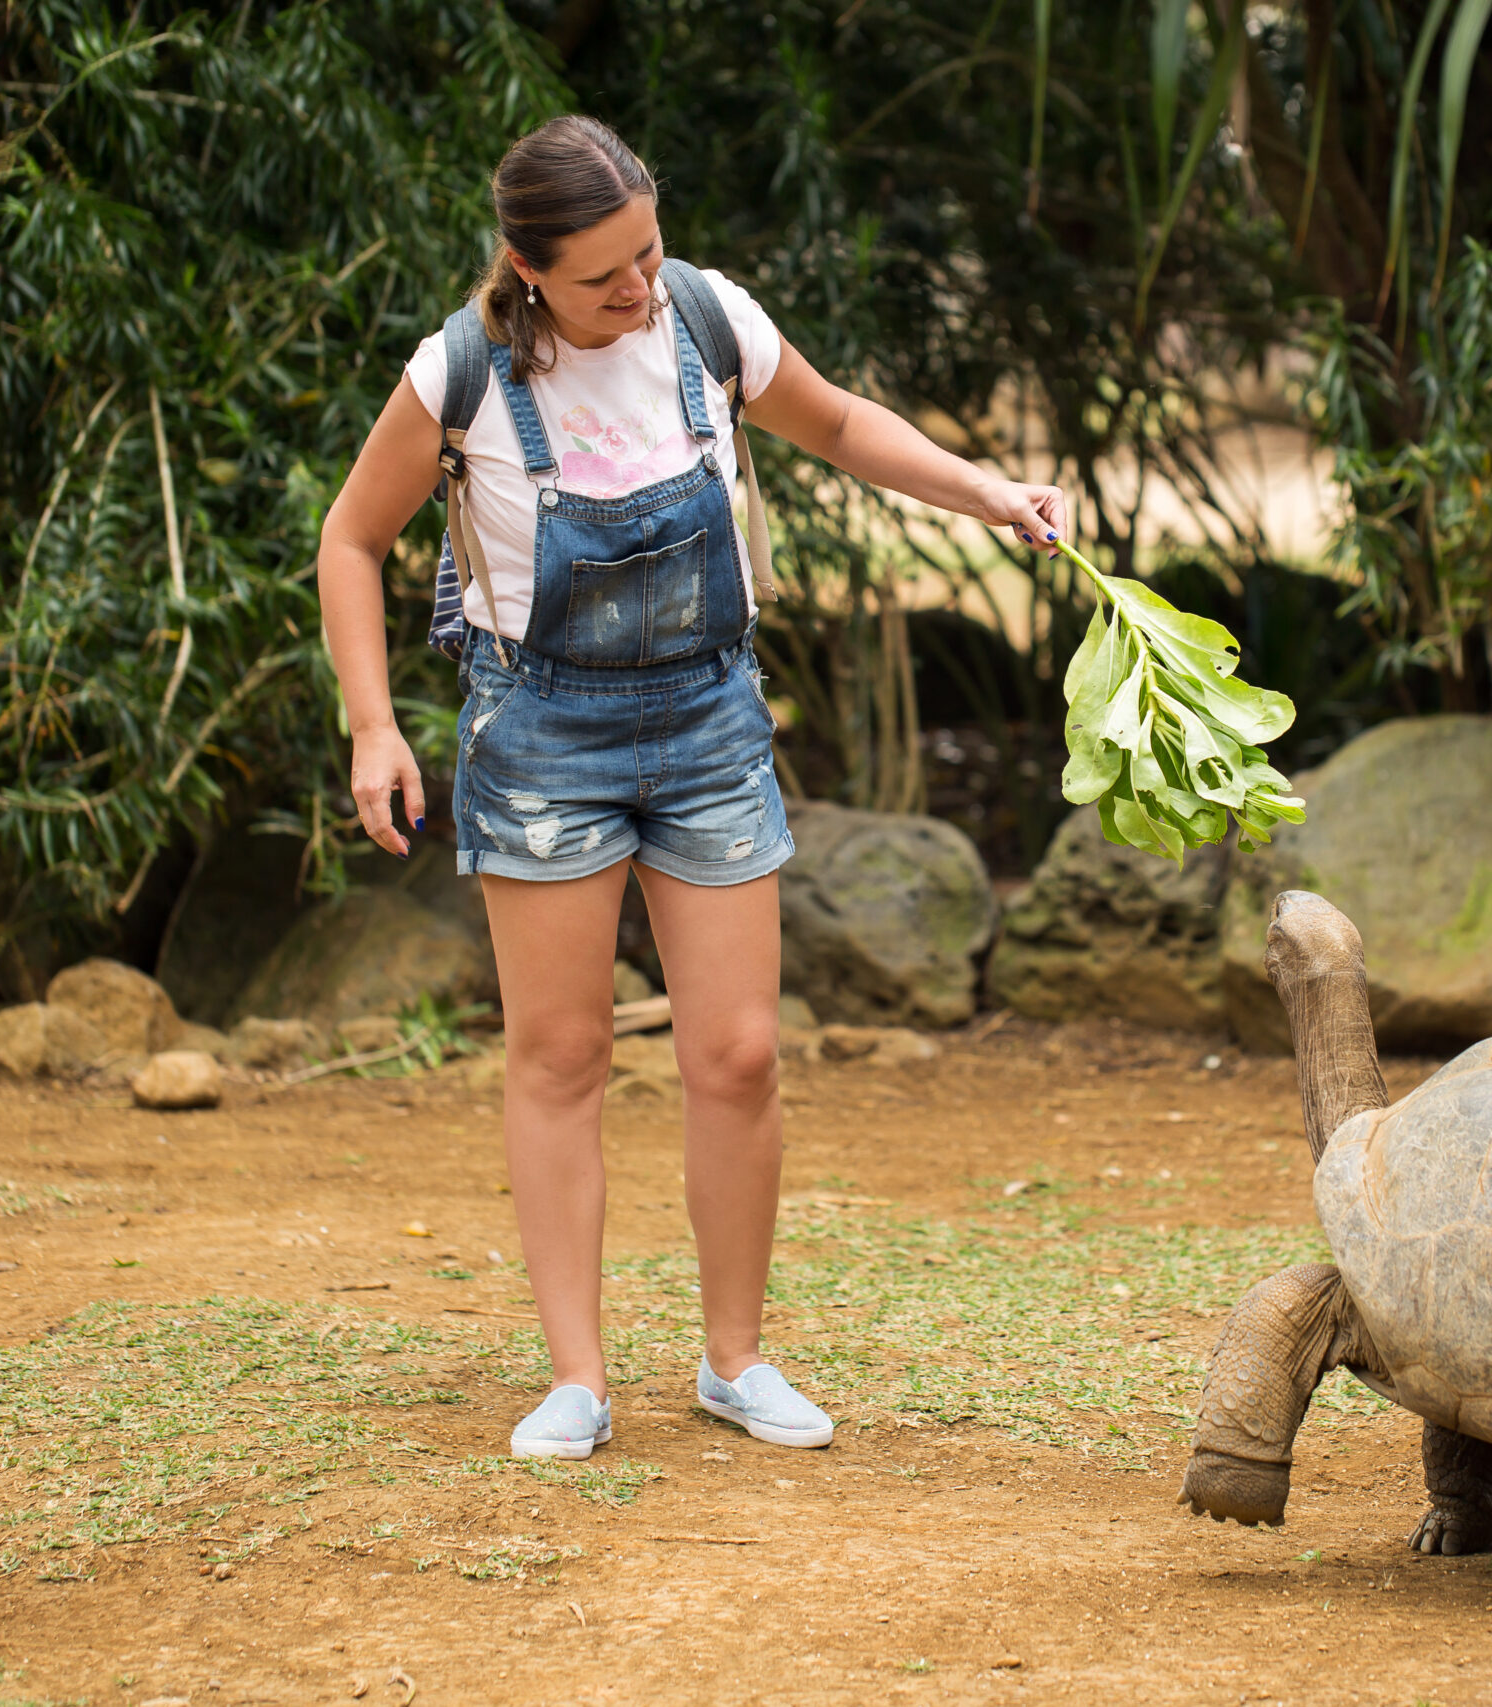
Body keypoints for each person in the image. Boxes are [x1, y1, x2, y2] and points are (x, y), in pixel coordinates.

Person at [317, 115, 1063, 1459]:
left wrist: (986, 493)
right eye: (606, 272)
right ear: (527, 267)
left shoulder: (707, 322)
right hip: (542, 734)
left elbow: (835, 423)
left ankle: (735, 1361)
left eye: (649, 252)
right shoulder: (466, 370)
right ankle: (578, 1381)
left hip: (711, 718)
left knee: (738, 1053)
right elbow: (350, 538)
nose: (639, 287)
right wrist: (374, 726)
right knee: (562, 1055)